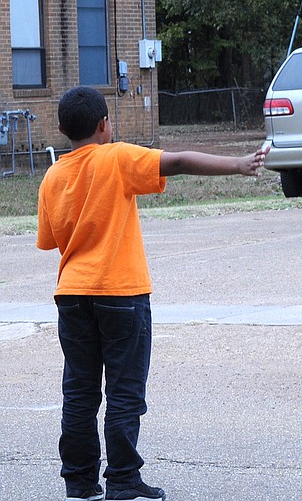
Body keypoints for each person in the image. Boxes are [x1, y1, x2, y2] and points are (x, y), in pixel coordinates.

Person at [36, 86, 266, 501]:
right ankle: (122, 480)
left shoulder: (53, 175)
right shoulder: (117, 156)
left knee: (80, 391)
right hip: (121, 292)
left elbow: (52, 240)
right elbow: (176, 162)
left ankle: (79, 482)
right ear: (104, 125)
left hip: (71, 294)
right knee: (123, 391)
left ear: (60, 129)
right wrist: (239, 163)